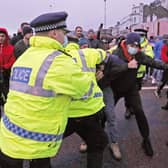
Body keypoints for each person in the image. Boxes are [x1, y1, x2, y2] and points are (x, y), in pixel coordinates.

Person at [0, 11, 94, 168]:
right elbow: (86, 90)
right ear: (54, 33)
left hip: (9, 136)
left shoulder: (25, 55)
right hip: (36, 143)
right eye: (64, 33)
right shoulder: (58, 61)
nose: (65, 37)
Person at [111, 32, 168, 157]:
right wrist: (126, 66)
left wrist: (166, 66)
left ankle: (146, 139)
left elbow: (152, 62)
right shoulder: (116, 54)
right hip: (115, 88)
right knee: (106, 114)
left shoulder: (138, 54)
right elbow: (111, 71)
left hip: (131, 88)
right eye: (133, 45)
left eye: (137, 46)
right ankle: (96, 138)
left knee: (139, 111)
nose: (135, 49)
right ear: (126, 44)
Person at [124, 28, 154, 119]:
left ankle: (133, 107)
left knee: (136, 91)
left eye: (141, 35)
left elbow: (150, 56)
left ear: (144, 36)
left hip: (139, 74)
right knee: (128, 92)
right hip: (128, 73)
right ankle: (128, 108)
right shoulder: (129, 42)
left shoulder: (147, 46)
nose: (139, 37)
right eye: (138, 35)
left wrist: (140, 56)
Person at [0, 27, 16, 116]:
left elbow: (12, 61)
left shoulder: (10, 48)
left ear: (6, 37)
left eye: (2, 36)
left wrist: (4, 67)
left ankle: (9, 111)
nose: (0, 38)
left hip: (6, 75)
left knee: (7, 94)